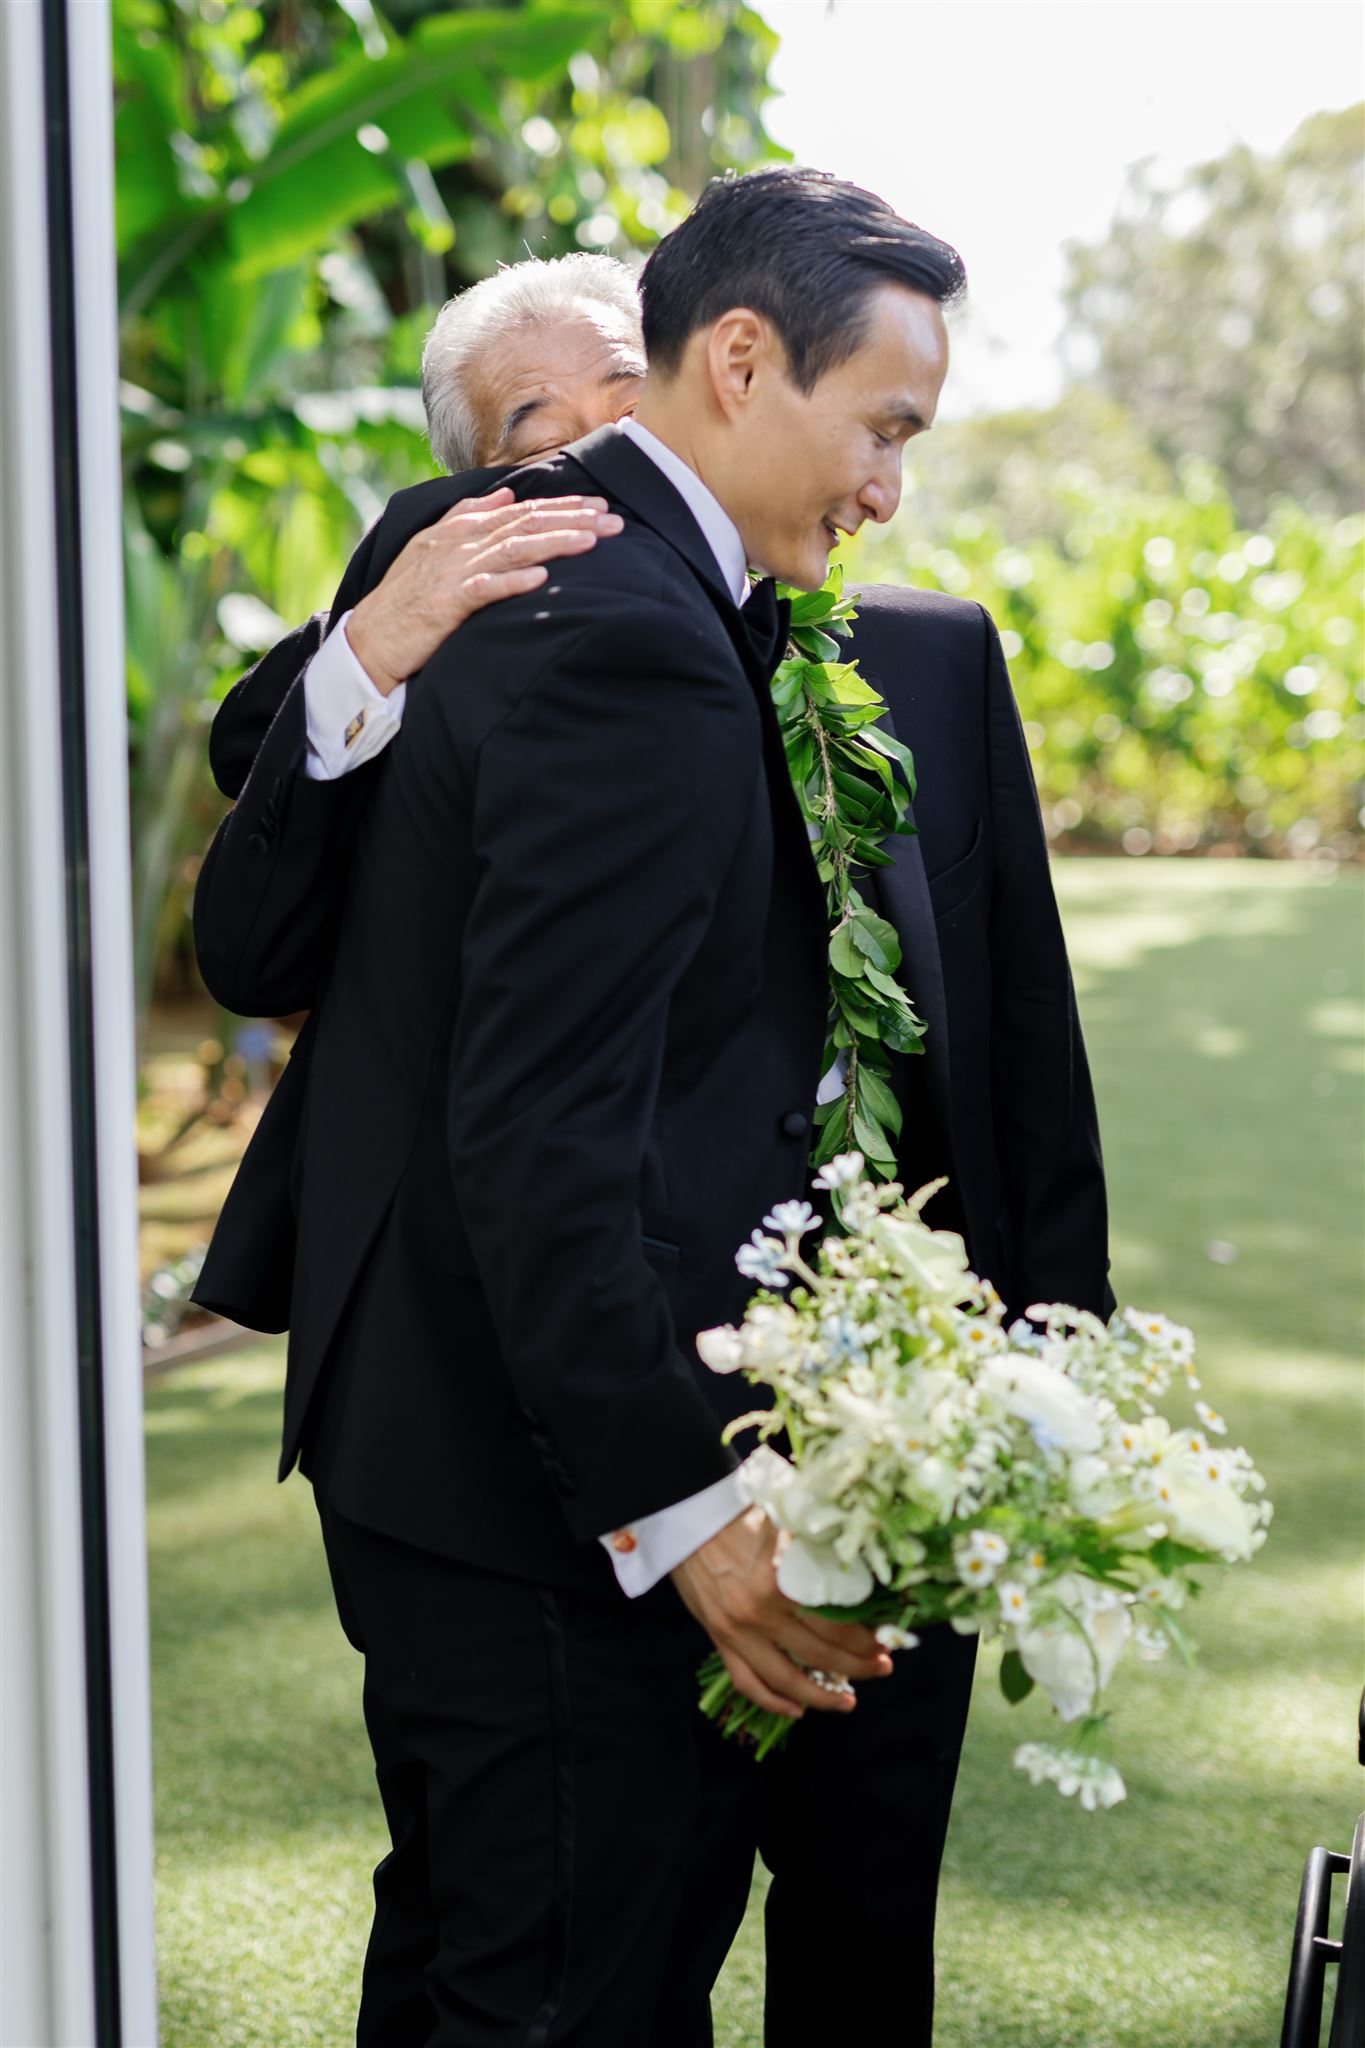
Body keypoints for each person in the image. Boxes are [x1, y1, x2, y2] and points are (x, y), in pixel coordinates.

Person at [195, 186, 1111, 2047]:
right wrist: (685, 1507)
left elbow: (992, 1031)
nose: (888, 491)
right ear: (744, 363)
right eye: (884, 431)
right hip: (527, 1466)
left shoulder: (756, 613)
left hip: (610, 1421)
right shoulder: (608, 623)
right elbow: (539, 1126)